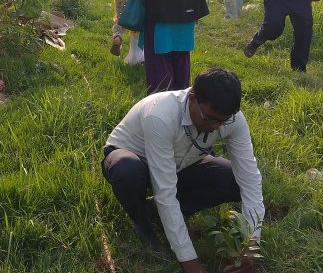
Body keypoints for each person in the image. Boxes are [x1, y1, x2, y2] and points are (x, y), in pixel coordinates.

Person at [101, 68, 264, 273]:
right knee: (127, 170)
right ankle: (143, 223)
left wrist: (250, 245)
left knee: (233, 180)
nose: (216, 127)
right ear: (192, 99)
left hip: (181, 164)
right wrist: (191, 263)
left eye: (224, 120)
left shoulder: (233, 120)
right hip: (133, 159)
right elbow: (165, 191)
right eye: (210, 118)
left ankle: (156, 213)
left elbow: (250, 180)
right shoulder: (160, 115)